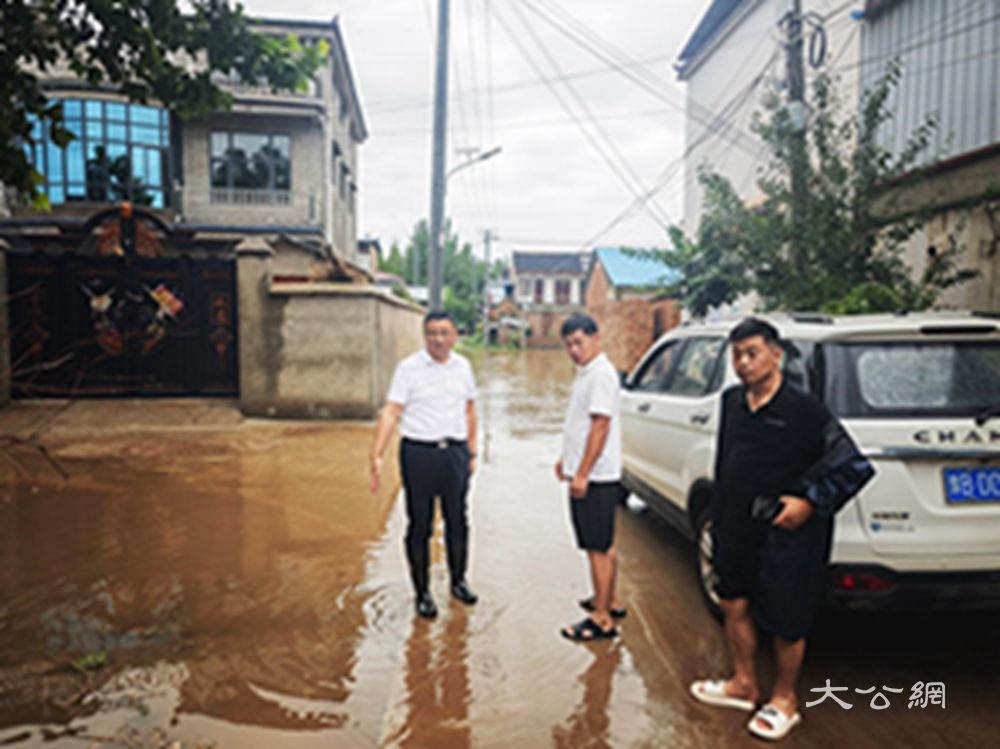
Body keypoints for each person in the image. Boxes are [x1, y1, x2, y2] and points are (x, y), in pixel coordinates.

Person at [690, 317, 874, 741]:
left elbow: (851, 463)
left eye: (752, 353)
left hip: (785, 533)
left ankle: (784, 700)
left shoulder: (803, 409)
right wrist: (719, 516)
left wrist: (809, 500)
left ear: (776, 354)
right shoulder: (732, 401)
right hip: (736, 526)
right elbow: (724, 463)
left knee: (786, 620)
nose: (743, 363)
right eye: (736, 355)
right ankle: (743, 683)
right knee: (733, 601)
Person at [370, 310, 479, 619]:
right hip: (419, 453)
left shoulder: (463, 367)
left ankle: (458, 582)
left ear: (455, 335)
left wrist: (471, 452)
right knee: (420, 524)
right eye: (432, 333)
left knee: (458, 519)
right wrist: (376, 453)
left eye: (445, 333)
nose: (439, 340)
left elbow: (470, 409)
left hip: (455, 453)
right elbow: (392, 411)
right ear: (424, 335)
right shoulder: (409, 369)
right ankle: (422, 593)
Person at [556, 313, 625, 642]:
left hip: (595, 476)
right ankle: (608, 600)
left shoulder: (600, 375)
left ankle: (601, 620)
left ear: (596, 339)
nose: (573, 349)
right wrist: (565, 460)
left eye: (579, 342)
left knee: (596, 546)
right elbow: (581, 423)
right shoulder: (588, 373)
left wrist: (581, 473)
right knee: (604, 543)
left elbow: (600, 425)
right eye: (568, 344)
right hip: (593, 471)